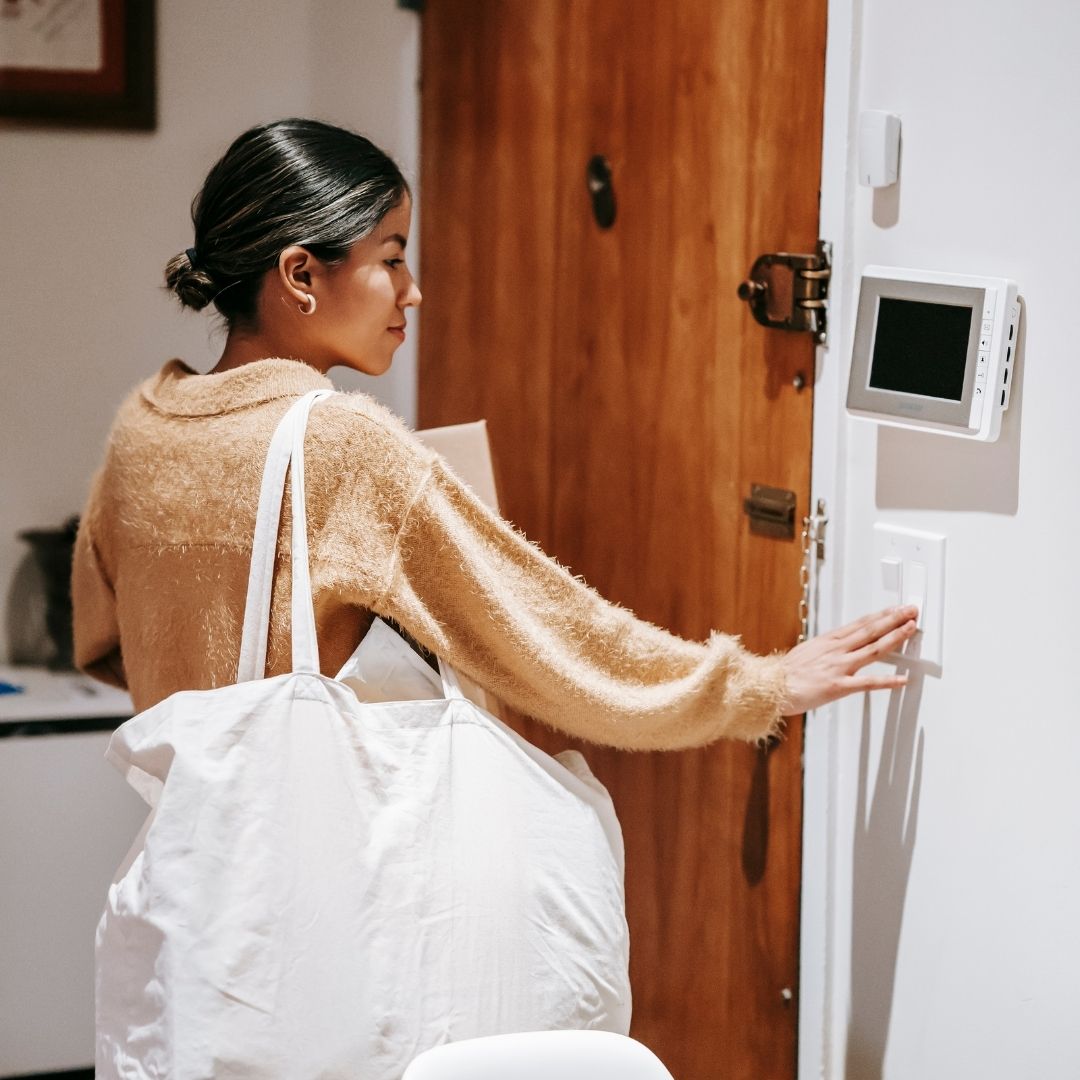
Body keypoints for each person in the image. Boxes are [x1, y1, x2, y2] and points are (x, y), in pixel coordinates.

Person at [72, 116, 917, 753]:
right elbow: (549, 638)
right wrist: (758, 686)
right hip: (325, 887)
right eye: (392, 257)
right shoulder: (338, 447)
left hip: (195, 876)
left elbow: (101, 642)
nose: (414, 292)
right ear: (300, 274)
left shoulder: (146, 424)